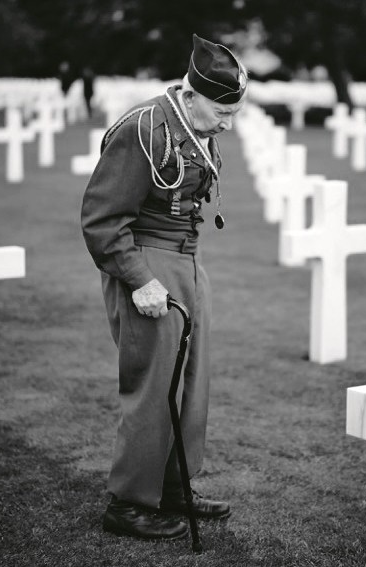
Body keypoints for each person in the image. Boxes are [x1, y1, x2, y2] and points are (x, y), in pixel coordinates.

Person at [81, 33, 248, 541]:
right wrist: (139, 280)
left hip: (188, 262)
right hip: (147, 266)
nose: (228, 123)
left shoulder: (195, 123)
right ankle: (129, 502)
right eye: (222, 110)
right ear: (192, 94)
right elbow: (103, 220)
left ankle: (174, 486)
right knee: (152, 388)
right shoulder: (143, 128)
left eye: (234, 112)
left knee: (191, 384)